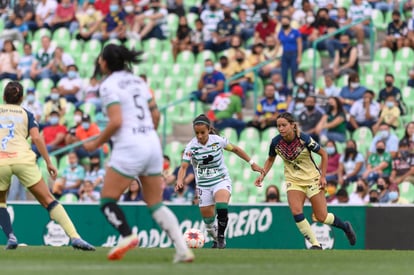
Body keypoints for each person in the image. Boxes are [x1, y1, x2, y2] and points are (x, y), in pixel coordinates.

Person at [84, 44, 194, 262]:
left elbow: (116, 121)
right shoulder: (138, 81)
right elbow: (156, 116)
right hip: (151, 142)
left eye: (100, 59)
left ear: (105, 63)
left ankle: (127, 236)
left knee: (107, 200)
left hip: (130, 145)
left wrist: (97, 142)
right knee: (155, 203)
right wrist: (145, 134)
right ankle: (182, 249)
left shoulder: (108, 85)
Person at [0, 81, 94, 251]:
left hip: (1, 161)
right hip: (23, 160)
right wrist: (49, 162)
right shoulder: (26, 113)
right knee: (49, 200)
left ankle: (11, 236)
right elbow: (37, 138)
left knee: (0, 202)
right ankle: (75, 237)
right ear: (21, 98)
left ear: (3, 97)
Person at [255, 112, 356, 249]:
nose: (281, 128)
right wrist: (263, 174)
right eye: (278, 126)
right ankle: (315, 244)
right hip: (293, 181)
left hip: (312, 179)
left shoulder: (304, 139)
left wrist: (323, 176)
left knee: (322, 217)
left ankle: (345, 227)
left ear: (292, 125)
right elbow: (271, 159)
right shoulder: (276, 142)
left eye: (284, 125)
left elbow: (324, 154)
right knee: (296, 211)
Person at [175, 114, 263, 249]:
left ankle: (221, 237)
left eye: (202, 132)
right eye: (197, 133)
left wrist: (252, 163)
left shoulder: (218, 141)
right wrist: (180, 180)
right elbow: (184, 166)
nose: (199, 136)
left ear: (209, 129)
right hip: (203, 185)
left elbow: (236, 149)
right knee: (208, 222)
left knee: (222, 206)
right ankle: (216, 238)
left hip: (221, 180)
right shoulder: (191, 147)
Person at [277, 16, 302, 86]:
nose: (284, 23)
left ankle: (295, 87)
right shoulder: (280, 33)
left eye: (286, 21)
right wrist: (275, 55)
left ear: (289, 22)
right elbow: (278, 45)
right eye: (283, 22)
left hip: (294, 53)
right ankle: (284, 89)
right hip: (284, 54)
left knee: (294, 72)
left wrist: (299, 56)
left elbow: (299, 44)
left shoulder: (295, 32)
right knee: (283, 73)